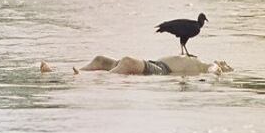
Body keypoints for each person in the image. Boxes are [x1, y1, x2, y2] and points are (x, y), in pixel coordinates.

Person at [70, 55, 233, 76]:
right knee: (99, 60)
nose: (222, 61)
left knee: (126, 61)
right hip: (154, 63)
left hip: (162, 70)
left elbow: (213, 69)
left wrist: (217, 69)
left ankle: (85, 78)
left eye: (224, 63)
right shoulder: (196, 58)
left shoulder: (205, 66)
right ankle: (73, 74)